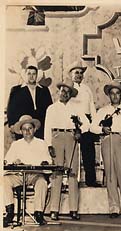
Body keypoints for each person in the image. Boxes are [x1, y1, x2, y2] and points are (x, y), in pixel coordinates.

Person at [91, 81, 121, 219]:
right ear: (109, 95)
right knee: (110, 175)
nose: (115, 96)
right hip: (107, 141)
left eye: (117, 93)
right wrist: (101, 129)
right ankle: (114, 208)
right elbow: (92, 127)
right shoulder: (103, 111)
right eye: (112, 93)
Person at [44, 79, 90, 221]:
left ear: (70, 94)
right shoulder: (51, 108)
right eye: (62, 90)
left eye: (67, 91)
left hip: (71, 138)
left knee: (73, 173)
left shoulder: (76, 108)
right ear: (59, 92)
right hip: (56, 137)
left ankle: (73, 209)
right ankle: (54, 210)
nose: (64, 93)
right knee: (56, 173)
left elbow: (87, 124)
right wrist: (48, 145)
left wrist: (79, 131)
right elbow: (47, 128)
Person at [3, 115, 52, 227]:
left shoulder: (41, 143)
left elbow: (49, 160)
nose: (27, 131)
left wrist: (45, 163)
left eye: (30, 128)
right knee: (5, 180)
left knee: (42, 182)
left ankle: (38, 213)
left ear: (34, 129)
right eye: (24, 129)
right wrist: (14, 162)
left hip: (35, 175)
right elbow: (7, 160)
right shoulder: (16, 145)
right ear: (21, 131)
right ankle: (9, 213)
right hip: (19, 175)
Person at [68, 60, 100, 187]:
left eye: (81, 73)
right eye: (76, 72)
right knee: (72, 154)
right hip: (73, 123)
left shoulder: (87, 89)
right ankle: (71, 182)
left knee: (89, 153)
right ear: (71, 74)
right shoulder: (68, 89)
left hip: (87, 123)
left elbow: (92, 106)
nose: (79, 75)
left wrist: (95, 123)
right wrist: (75, 125)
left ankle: (90, 180)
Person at [7, 64, 53, 139]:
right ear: (25, 75)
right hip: (24, 127)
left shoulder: (44, 90)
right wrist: (12, 125)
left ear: (37, 75)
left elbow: (50, 108)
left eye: (34, 74)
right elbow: (11, 109)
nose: (31, 76)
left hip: (41, 127)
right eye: (29, 73)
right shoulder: (16, 90)